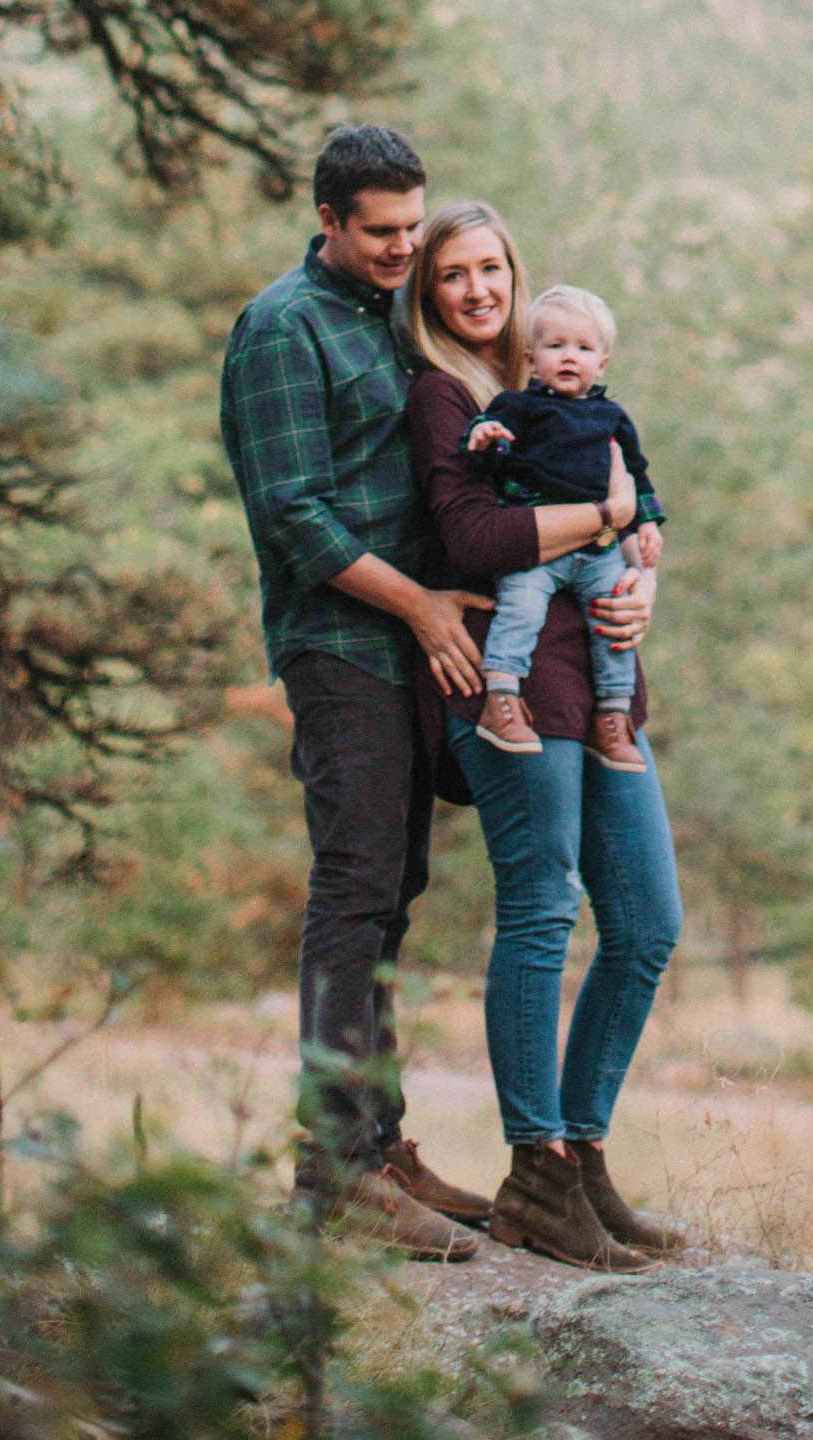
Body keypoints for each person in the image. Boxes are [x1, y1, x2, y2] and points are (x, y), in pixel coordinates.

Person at [218, 122, 495, 1255]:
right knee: (352, 891)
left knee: (396, 890)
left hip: (410, 649)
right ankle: (330, 1172)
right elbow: (292, 514)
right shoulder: (280, 329)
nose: (400, 249)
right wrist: (421, 605)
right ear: (326, 220)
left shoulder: (394, 314)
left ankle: (378, 1145)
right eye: (377, 232)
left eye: (409, 229)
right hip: (341, 645)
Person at [403, 203, 685, 1273]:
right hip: (509, 692)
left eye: (491, 269)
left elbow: (629, 508)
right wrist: (608, 518)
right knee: (538, 912)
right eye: (451, 275)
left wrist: (638, 570)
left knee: (646, 924)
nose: (476, 290)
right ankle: (537, 1173)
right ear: (426, 293)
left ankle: (584, 1153)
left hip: (599, 685)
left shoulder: (570, 393)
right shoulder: (447, 396)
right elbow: (470, 535)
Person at [465, 283, 668, 771]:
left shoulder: (612, 418)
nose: (569, 357)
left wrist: (649, 523)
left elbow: (635, 477)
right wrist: (484, 438)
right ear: (532, 359)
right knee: (520, 611)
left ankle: (612, 718)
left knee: (614, 617)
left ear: (602, 363)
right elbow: (491, 457)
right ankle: (502, 700)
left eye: (583, 348)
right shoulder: (519, 407)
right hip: (539, 544)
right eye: (556, 346)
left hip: (598, 551)